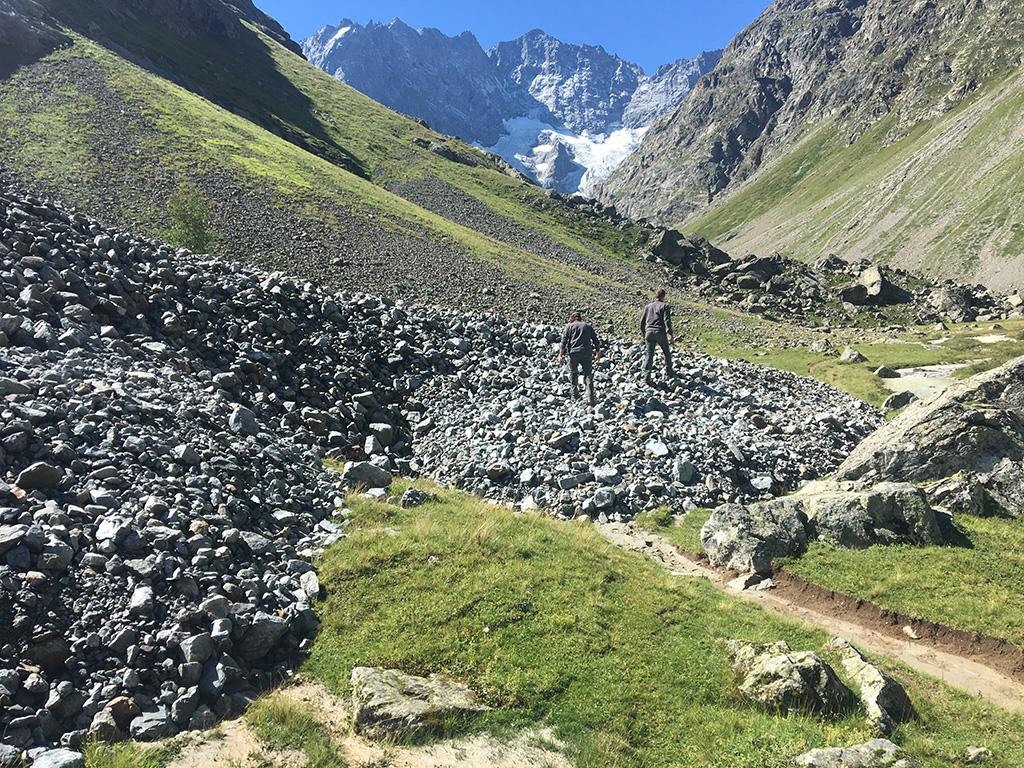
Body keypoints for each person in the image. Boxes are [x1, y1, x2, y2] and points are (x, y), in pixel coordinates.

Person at [559, 311, 601, 406]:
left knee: (573, 373)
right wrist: (598, 352)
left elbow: (564, 341)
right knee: (588, 374)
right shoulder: (587, 326)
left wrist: (560, 355)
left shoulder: (569, 326)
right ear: (580, 318)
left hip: (573, 354)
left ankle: (575, 395)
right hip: (586, 353)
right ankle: (590, 396)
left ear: (572, 318)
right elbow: (595, 340)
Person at [640, 289, 674, 384]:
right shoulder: (665, 306)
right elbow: (667, 321)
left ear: (655, 296)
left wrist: (643, 331)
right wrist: (670, 334)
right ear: (663, 296)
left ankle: (647, 376)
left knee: (649, 354)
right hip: (660, 332)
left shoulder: (648, 306)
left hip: (649, 332)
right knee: (666, 352)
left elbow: (642, 321)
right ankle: (669, 373)